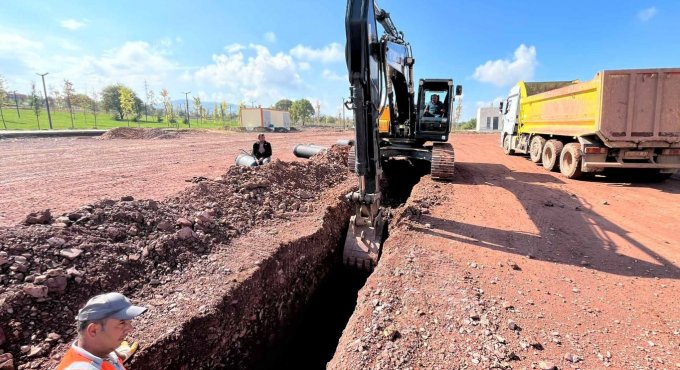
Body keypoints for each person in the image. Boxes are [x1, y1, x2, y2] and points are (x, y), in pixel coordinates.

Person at [56, 292, 148, 370]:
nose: (130, 329)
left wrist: (117, 357)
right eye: (122, 323)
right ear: (94, 330)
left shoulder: (98, 351)